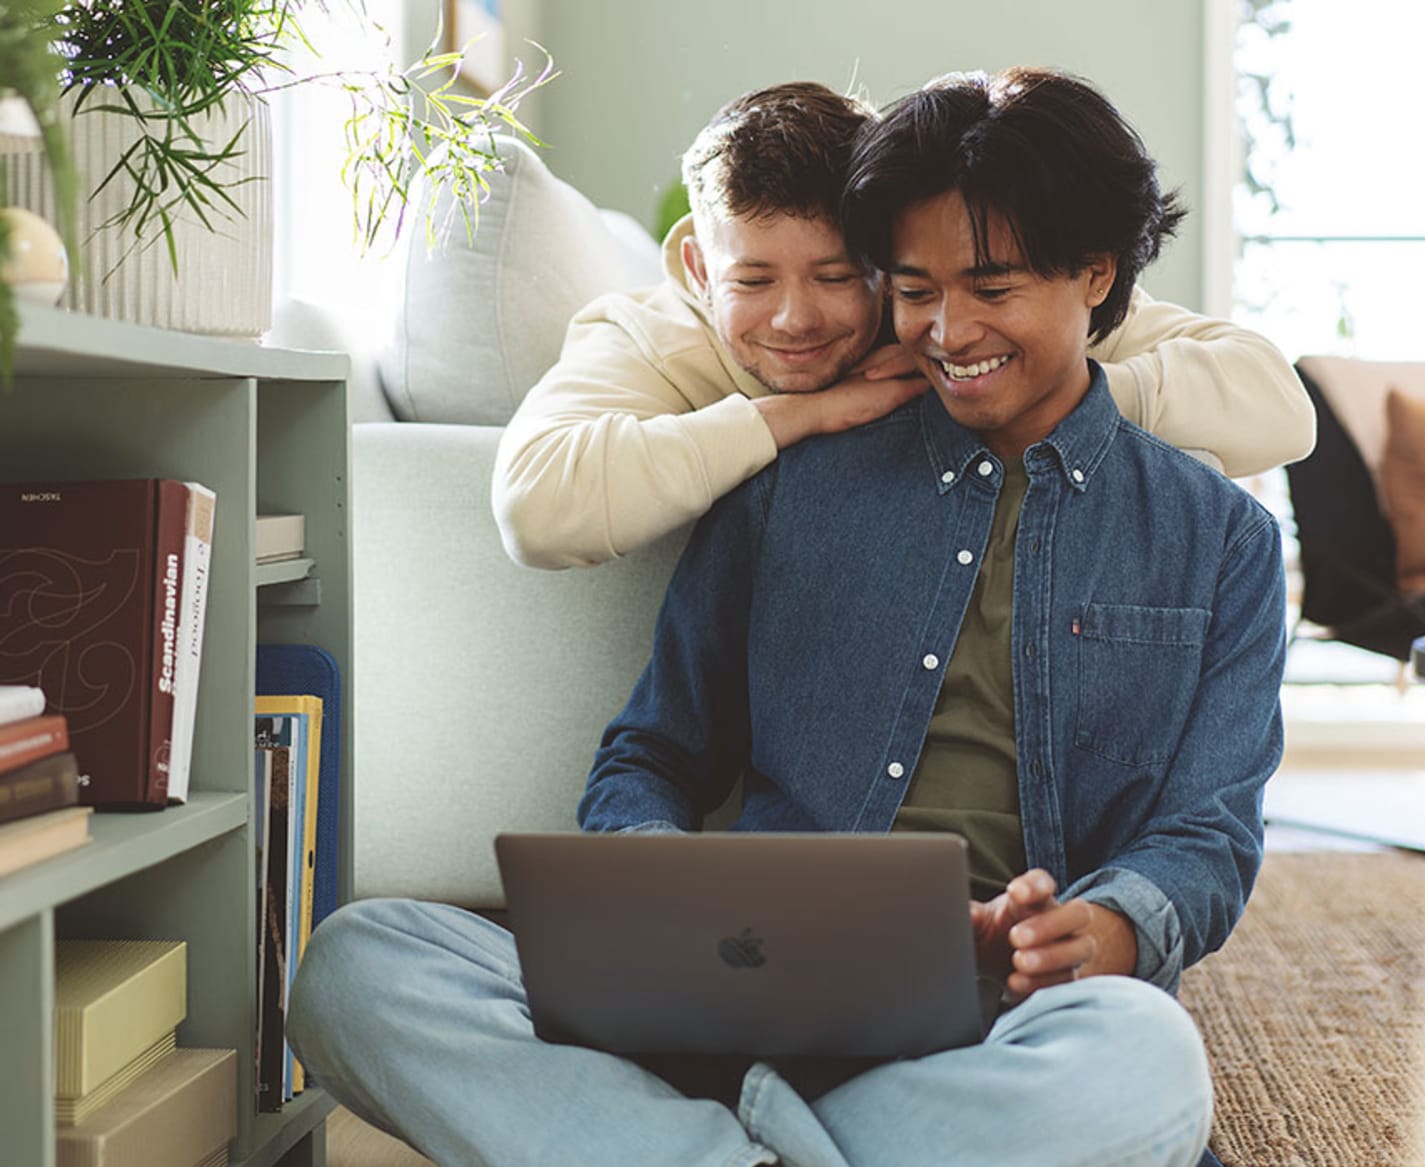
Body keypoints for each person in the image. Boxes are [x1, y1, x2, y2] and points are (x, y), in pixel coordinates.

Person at [288, 67, 1287, 1167]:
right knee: (360, 961)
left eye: (991, 290)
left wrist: (1106, 929)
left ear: (1097, 276)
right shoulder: (787, 478)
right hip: (737, 990)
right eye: (914, 289)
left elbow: (1206, 835)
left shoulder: (1220, 540)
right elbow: (650, 752)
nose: (949, 332)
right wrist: (656, 878)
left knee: (1146, 1056)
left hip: (1004, 1018)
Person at [492, 81, 1314, 570]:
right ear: (700, 269)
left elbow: (1279, 407)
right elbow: (534, 507)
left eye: (838, 276)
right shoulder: (648, 333)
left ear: (888, 264)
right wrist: (798, 416)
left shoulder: (945, 317)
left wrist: (1048, 397)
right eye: (752, 278)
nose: (794, 317)